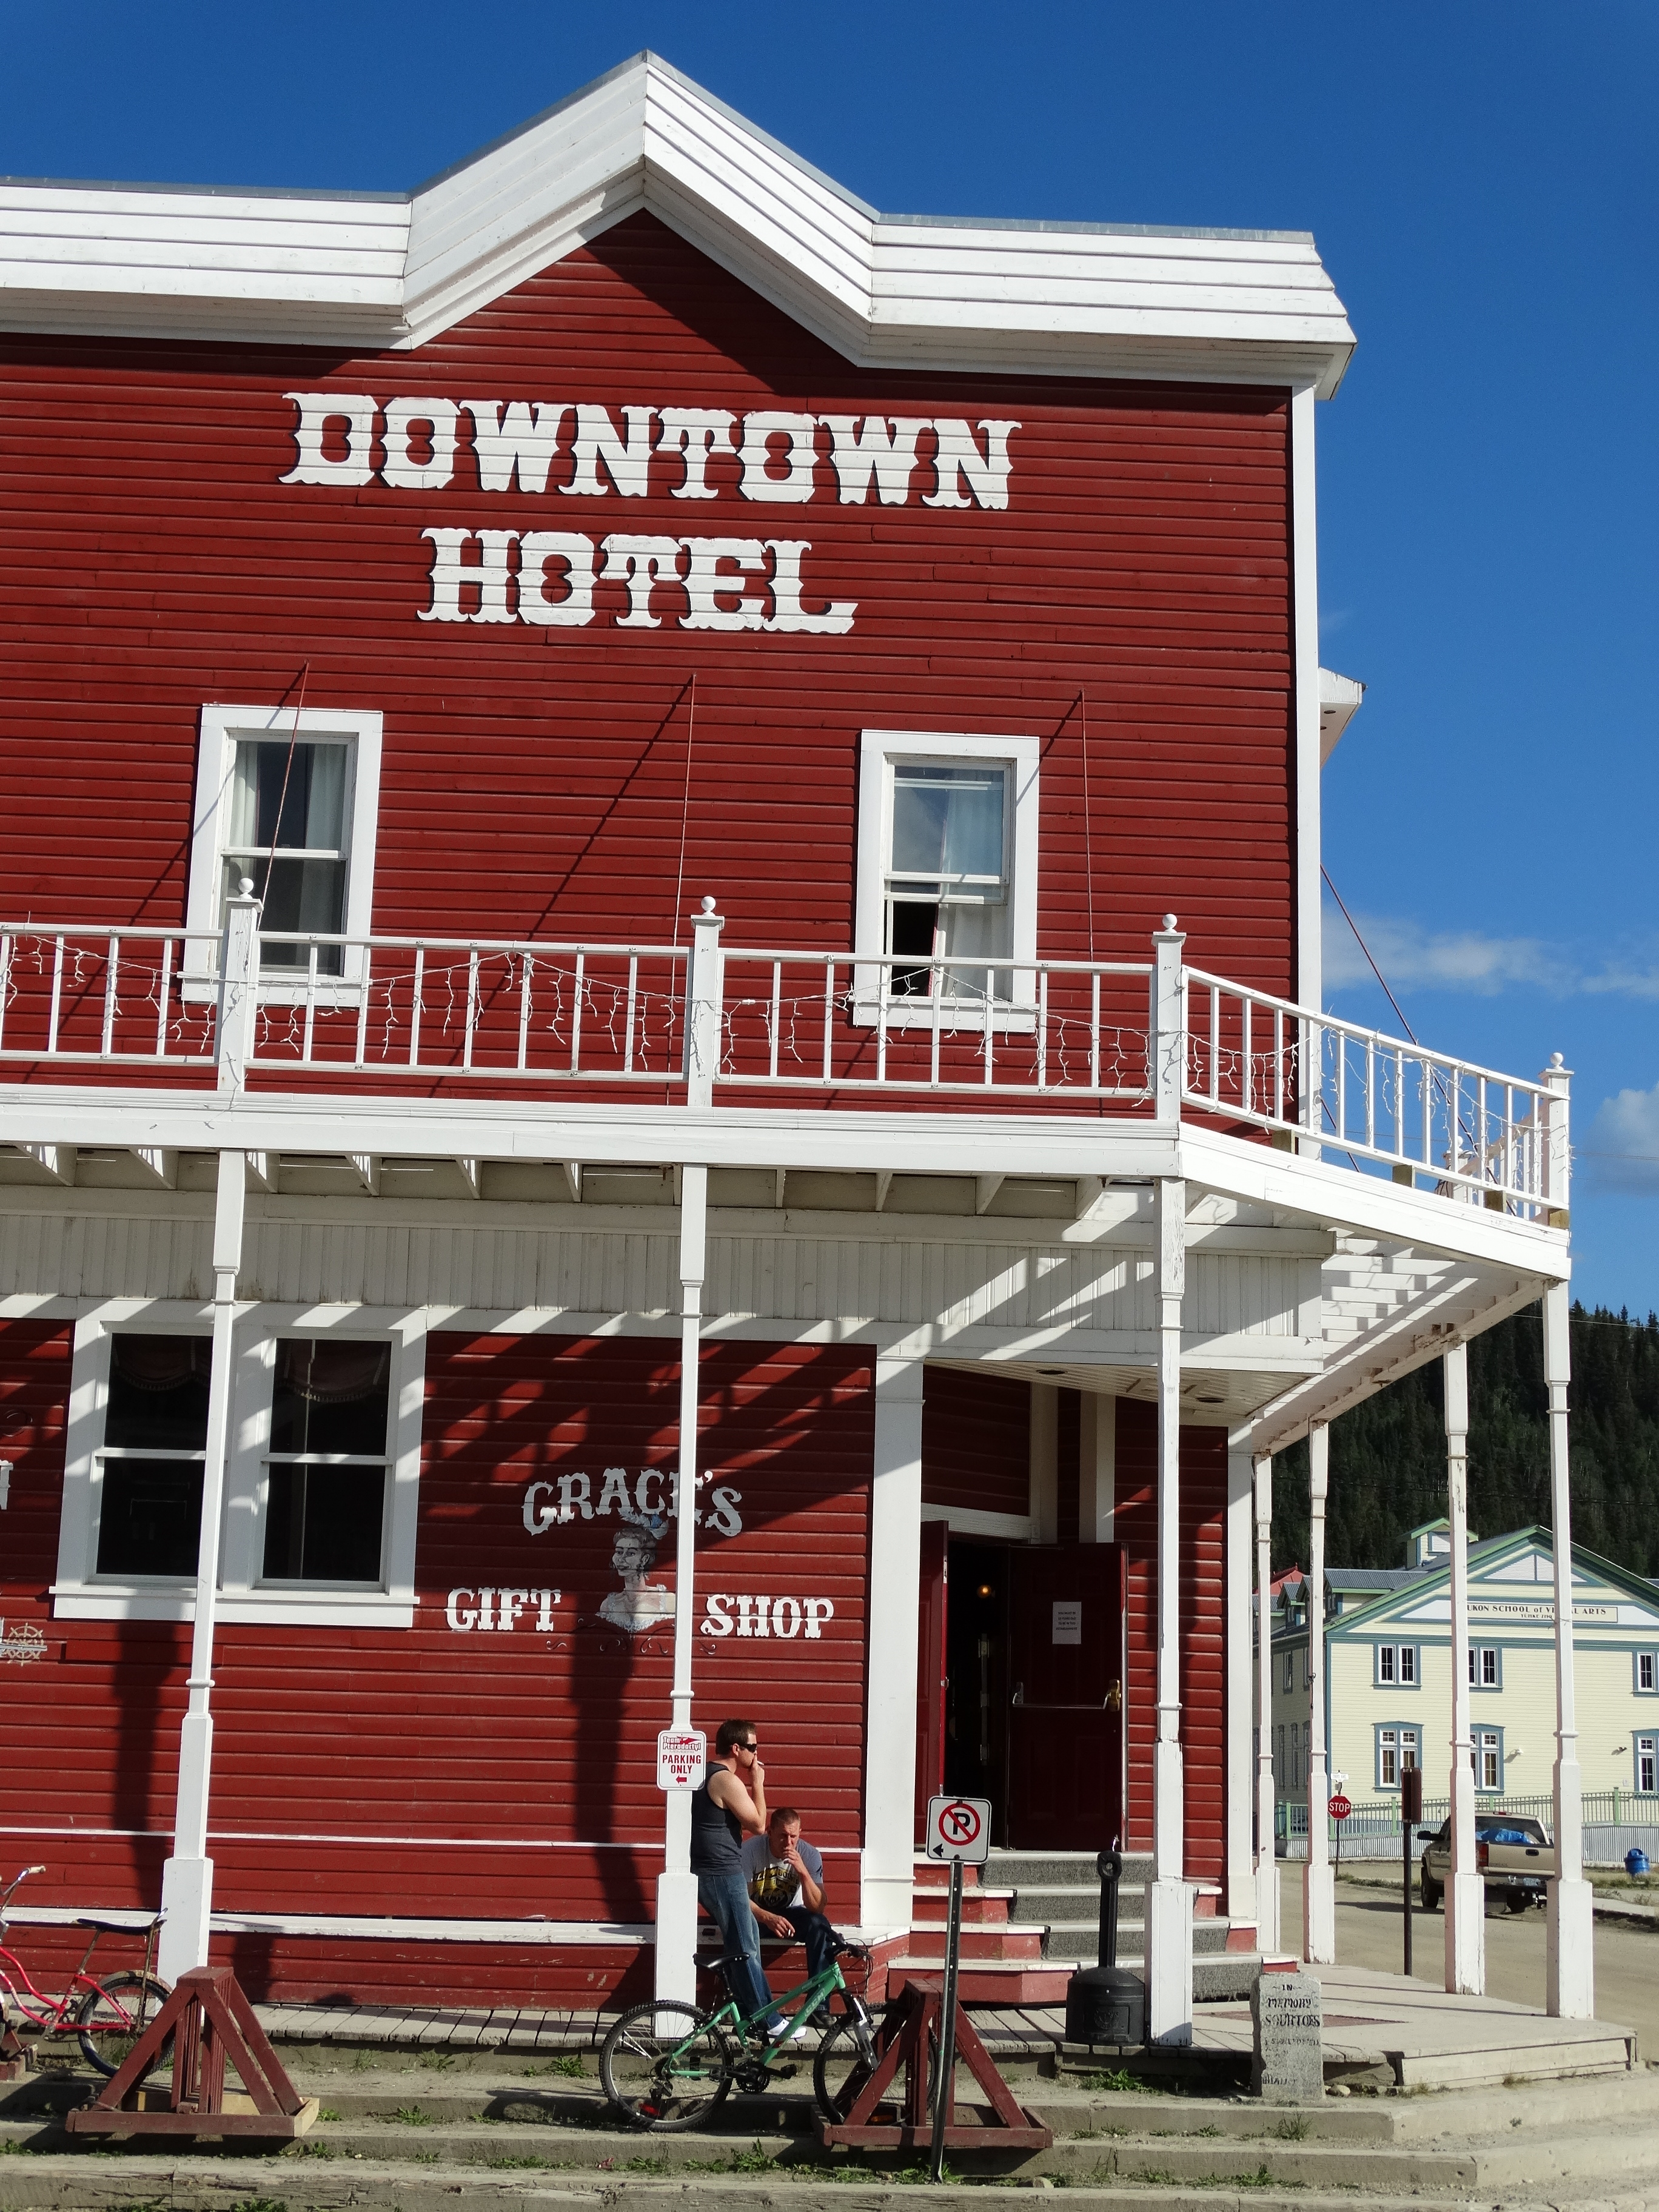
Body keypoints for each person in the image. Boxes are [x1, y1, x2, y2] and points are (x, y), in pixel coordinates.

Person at [689, 1717, 800, 2041]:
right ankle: (770, 2022)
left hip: (720, 1872)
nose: (756, 1753)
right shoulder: (724, 1778)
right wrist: (758, 1782)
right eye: (753, 1747)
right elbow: (759, 1825)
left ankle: (752, 2016)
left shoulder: (707, 1774)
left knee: (744, 1942)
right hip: (721, 1873)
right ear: (736, 1749)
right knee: (746, 1947)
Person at [743, 1806, 845, 2028]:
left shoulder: (809, 1854)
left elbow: (818, 1907)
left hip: (791, 1913)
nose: (788, 1843)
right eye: (782, 1836)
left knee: (821, 1926)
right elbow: (741, 1900)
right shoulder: (750, 1850)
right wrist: (767, 1917)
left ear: (800, 1833)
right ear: (769, 1832)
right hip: (756, 1913)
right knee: (740, 1925)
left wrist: (803, 1872)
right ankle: (746, 2005)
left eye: (793, 1836)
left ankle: (818, 2007)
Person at [597, 1521, 674, 1634]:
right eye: (619, 1552)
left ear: (644, 1559)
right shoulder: (608, 1605)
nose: (621, 1559)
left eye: (631, 1553)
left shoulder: (666, 1600)